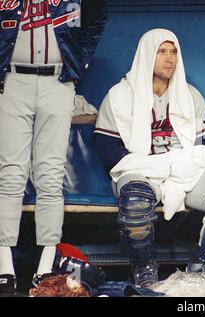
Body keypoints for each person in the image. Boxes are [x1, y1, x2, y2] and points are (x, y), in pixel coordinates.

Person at [93, 28, 205, 289]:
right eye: (162, 52)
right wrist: (160, 165)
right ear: (146, 55)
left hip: (185, 173)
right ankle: (144, 268)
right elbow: (108, 149)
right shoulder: (119, 96)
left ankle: (201, 268)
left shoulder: (190, 95)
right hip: (140, 173)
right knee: (135, 200)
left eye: (174, 52)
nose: (170, 58)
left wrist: (180, 165)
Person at [0, 0, 107, 295]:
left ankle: (46, 266)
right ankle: (4, 268)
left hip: (57, 80)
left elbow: (96, 19)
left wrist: (76, 65)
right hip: (11, 79)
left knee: (50, 173)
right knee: (10, 173)